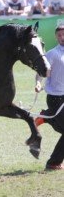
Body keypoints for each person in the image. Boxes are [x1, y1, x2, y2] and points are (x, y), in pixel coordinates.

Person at [34, 24, 64, 170]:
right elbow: (41, 72)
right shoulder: (52, 54)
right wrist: (38, 83)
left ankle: (46, 116)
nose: (62, 37)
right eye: (59, 35)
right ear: (56, 37)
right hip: (55, 98)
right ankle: (53, 163)